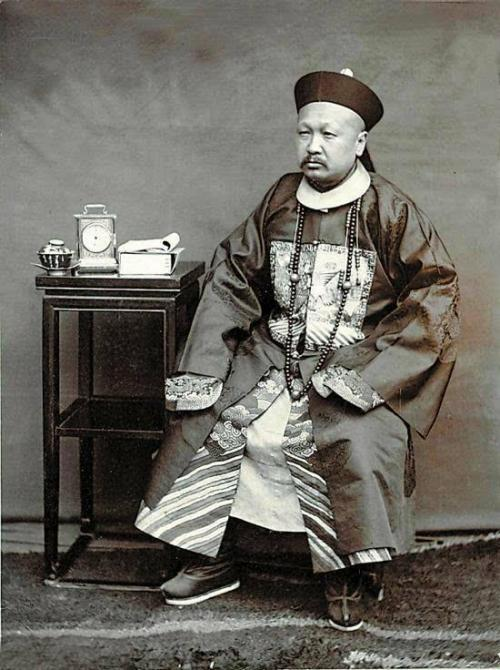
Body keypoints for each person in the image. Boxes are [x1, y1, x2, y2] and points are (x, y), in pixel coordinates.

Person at [135, 69, 460, 631]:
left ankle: (348, 573)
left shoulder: (390, 209)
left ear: (359, 141)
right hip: (273, 353)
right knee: (204, 418)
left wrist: (378, 371)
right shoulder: (281, 198)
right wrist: (208, 364)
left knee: (351, 439)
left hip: (351, 363)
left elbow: (437, 293)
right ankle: (212, 558)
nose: (313, 146)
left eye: (329, 134)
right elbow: (232, 276)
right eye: (304, 132)